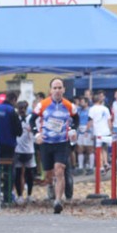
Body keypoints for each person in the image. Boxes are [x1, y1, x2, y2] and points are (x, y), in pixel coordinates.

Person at [32, 77, 78, 214]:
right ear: (50, 90)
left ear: (64, 90)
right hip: (46, 142)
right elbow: (32, 119)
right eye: (55, 88)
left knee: (60, 170)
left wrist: (73, 130)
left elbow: (76, 118)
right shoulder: (43, 104)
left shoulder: (69, 105)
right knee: (49, 172)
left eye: (59, 88)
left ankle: (58, 201)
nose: (57, 90)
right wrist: (36, 134)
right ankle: (51, 184)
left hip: (62, 142)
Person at [13, 100, 37, 204]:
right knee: (18, 173)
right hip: (18, 149)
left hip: (29, 149)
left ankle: (29, 194)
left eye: (24, 108)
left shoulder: (30, 119)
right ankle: (19, 195)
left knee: (30, 173)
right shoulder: (15, 119)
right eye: (20, 108)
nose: (22, 110)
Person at [87, 92, 113, 174]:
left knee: (98, 149)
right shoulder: (105, 108)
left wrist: (86, 130)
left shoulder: (92, 109)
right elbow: (109, 121)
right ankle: (106, 163)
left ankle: (101, 166)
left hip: (97, 132)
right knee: (104, 148)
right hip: (106, 131)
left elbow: (90, 121)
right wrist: (111, 130)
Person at [75, 96, 93, 174]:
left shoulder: (90, 110)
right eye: (80, 102)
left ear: (86, 103)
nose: (81, 103)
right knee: (80, 149)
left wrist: (87, 130)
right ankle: (80, 167)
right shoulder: (78, 110)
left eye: (82, 102)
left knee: (89, 149)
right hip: (80, 131)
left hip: (88, 131)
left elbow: (91, 121)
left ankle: (91, 167)